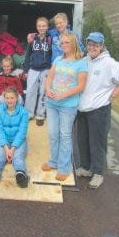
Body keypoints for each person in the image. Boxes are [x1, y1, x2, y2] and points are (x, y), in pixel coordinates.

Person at [76, 32, 119, 188]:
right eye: (90, 44)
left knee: (97, 143)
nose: (92, 47)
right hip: (82, 109)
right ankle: (86, 167)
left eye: (96, 45)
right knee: (83, 140)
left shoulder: (109, 63)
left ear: (102, 46)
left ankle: (98, 173)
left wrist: (115, 92)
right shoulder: (84, 61)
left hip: (99, 109)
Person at [42, 32, 88, 181]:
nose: (64, 45)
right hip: (51, 104)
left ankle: (64, 168)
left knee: (65, 135)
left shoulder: (81, 63)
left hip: (68, 105)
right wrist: (48, 90)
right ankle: (53, 161)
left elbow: (81, 86)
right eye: (62, 43)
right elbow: (49, 77)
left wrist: (63, 95)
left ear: (73, 43)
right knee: (52, 134)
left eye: (66, 42)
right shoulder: (58, 59)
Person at [0, 86, 29, 188]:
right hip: (3, 140)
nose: (9, 100)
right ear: (4, 98)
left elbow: (22, 132)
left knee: (18, 158)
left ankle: (21, 175)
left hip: (18, 141)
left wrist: (12, 149)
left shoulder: (24, 112)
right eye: (7, 98)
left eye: (12, 98)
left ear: (17, 98)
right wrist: (6, 148)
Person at [23, 17, 52, 125]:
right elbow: (28, 54)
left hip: (46, 69)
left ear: (47, 27)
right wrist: (26, 69)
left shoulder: (50, 38)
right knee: (30, 91)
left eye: (44, 26)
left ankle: (40, 114)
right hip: (33, 68)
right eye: (39, 26)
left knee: (43, 92)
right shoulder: (32, 39)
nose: (41, 28)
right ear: (36, 27)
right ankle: (29, 113)